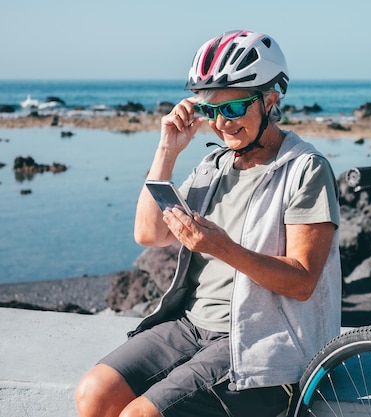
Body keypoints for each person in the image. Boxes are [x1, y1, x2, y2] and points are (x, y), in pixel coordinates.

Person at [74, 30, 342, 417]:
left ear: (271, 100)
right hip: (190, 328)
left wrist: (223, 248)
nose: (221, 123)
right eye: (209, 110)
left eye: (233, 109)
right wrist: (168, 147)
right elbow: (149, 234)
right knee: (93, 394)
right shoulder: (213, 166)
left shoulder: (305, 170)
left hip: (262, 343)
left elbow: (302, 281)